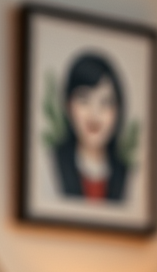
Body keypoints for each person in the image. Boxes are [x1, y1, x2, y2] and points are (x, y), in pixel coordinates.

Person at [52, 52, 130, 203]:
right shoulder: (52, 163)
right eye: (84, 100)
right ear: (68, 105)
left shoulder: (127, 174)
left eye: (105, 102)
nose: (94, 115)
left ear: (118, 110)